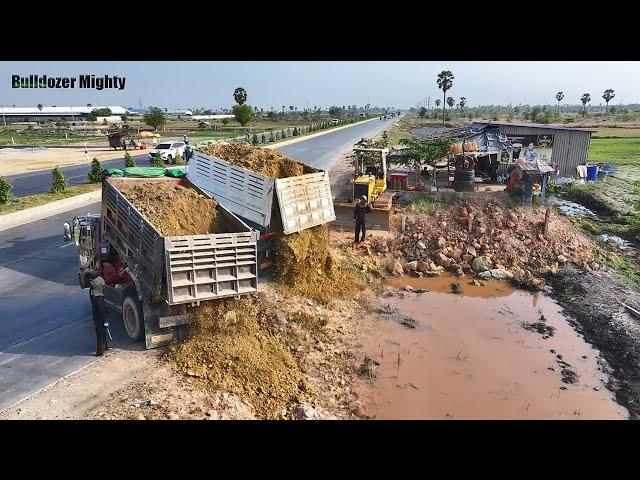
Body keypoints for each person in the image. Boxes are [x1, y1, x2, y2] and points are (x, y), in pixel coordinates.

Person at [89, 276, 108, 356]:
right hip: (100, 318)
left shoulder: (92, 294)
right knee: (101, 334)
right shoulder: (99, 298)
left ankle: (105, 347)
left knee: (101, 333)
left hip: (96, 318)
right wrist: (105, 320)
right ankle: (100, 351)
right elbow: (101, 310)